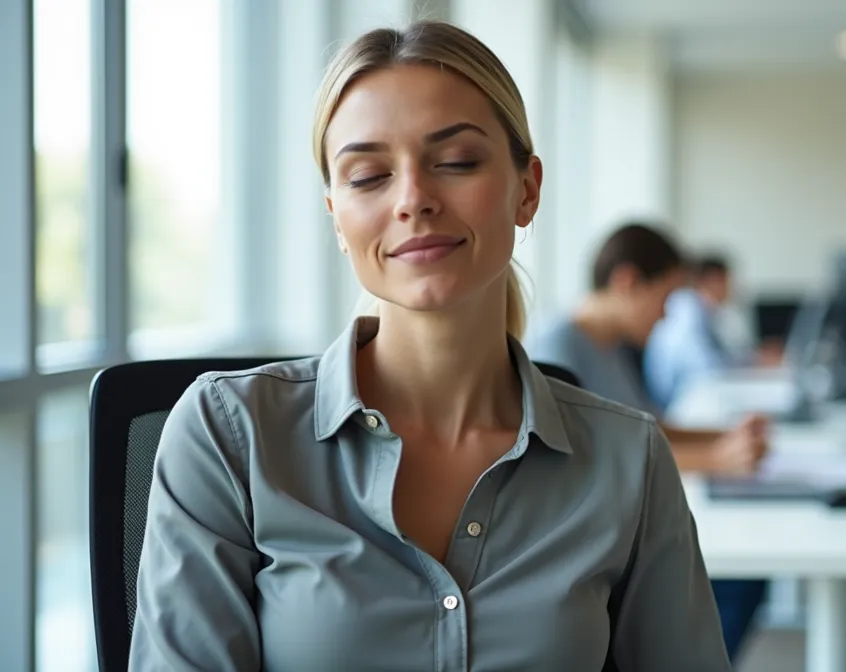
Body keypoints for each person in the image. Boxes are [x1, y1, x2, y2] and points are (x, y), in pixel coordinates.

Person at [128, 21, 731, 671]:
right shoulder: (231, 436)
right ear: (337, 215)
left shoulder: (628, 461)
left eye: (456, 162)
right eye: (368, 176)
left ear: (526, 189)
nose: (413, 198)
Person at [525, 223, 771, 664]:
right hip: (589, 529)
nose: (664, 317)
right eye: (663, 299)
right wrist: (717, 459)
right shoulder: (558, 348)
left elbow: (646, 428)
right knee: (739, 580)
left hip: (621, 512)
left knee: (748, 577)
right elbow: (597, 454)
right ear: (627, 282)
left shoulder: (611, 346)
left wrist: (725, 438)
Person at [643, 254, 769, 412]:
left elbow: (719, 355)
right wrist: (753, 363)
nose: (731, 288)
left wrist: (753, 359)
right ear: (714, 280)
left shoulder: (703, 311)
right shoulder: (686, 308)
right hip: (675, 406)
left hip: (689, 397)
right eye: (728, 281)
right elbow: (707, 367)